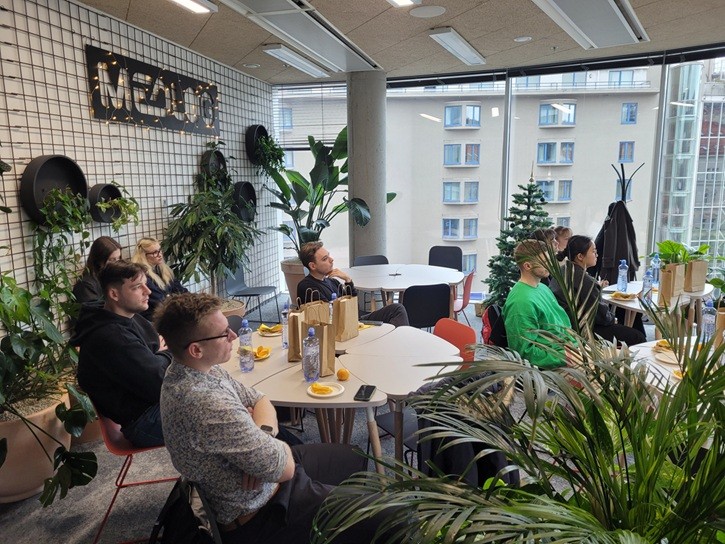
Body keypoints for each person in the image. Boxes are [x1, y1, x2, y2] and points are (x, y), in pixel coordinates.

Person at [157, 293, 393, 544]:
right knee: (391, 518)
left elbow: (260, 399)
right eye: (224, 333)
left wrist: (262, 437)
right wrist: (266, 450)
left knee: (353, 457)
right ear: (196, 349)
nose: (234, 336)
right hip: (264, 514)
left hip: (269, 481)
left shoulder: (199, 369)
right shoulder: (204, 402)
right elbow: (285, 468)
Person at [71, 260, 171, 447]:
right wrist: (166, 353)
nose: (148, 291)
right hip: (144, 421)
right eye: (137, 287)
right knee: (217, 418)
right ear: (114, 294)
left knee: (217, 398)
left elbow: (160, 347)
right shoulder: (110, 336)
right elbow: (160, 382)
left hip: (155, 405)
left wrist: (160, 354)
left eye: (145, 284)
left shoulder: (128, 318)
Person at [549, 235, 646, 346]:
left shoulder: (562, 270)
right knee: (638, 337)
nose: (597, 255)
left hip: (565, 324)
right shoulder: (585, 281)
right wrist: (612, 319)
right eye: (594, 252)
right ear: (580, 256)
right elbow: (601, 316)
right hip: (582, 330)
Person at [296, 241, 409, 327]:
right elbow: (329, 316)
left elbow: (353, 307)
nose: (331, 259)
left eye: (329, 256)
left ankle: (400, 344)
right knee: (396, 311)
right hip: (341, 327)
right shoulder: (307, 287)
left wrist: (348, 280)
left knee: (397, 309)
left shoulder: (332, 281)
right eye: (325, 259)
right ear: (313, 266)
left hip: (353, 320)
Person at [502, 240, 572, 369]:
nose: (550, 264)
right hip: (553, 366)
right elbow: (525, 353)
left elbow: (562, 325)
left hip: (568, 350)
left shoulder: (542, 288)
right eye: (545, 262)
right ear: (528, 266)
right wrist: (567, 357)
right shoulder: (520, 302)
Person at [132, 237, 187, 321]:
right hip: (153, 319)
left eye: (160, 250)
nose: (160, 255)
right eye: (154, 252)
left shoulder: (163, 269)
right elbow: (160, 301)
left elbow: (180, 289)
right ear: (143, 256)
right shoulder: (143, 275)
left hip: (166, 313)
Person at [72, 236, 122, 303]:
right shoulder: (86, 286)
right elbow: (95, 309)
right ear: (99, 260)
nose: (117, 263)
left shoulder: (114, 277)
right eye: (112, 260)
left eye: (118, 258)